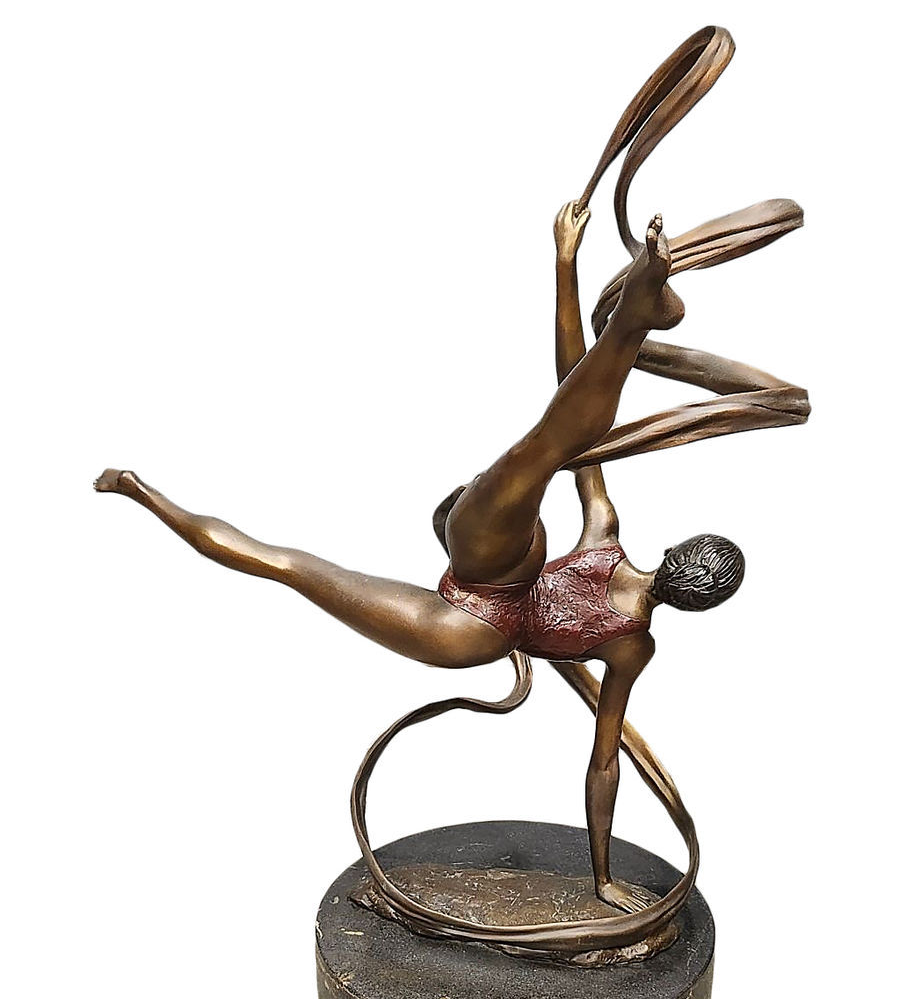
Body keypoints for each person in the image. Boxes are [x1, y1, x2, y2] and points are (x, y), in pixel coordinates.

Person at [95, 201, 757, 914]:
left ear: (676, 548)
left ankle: (633, 319)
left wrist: (564, 263)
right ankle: (633, 317)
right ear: (702, 606)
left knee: (524, 458)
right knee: (299, 560)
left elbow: (568, 393)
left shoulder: (606, 538)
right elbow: (603, 764)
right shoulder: (632, 644)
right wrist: (601, 877)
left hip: (473, 626)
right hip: (497, 589)